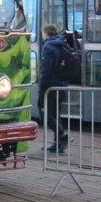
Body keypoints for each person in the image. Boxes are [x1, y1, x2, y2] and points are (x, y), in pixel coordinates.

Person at [38, 24, 69, 152]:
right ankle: (59, 144)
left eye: (43, 33)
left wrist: (42, 86)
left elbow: (46, 69)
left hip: (50, 85)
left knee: (44, 111)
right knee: (56, 114)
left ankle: (62, 134)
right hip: (62, 84)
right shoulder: (62, 43)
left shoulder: (49, 46)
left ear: (46, 33)